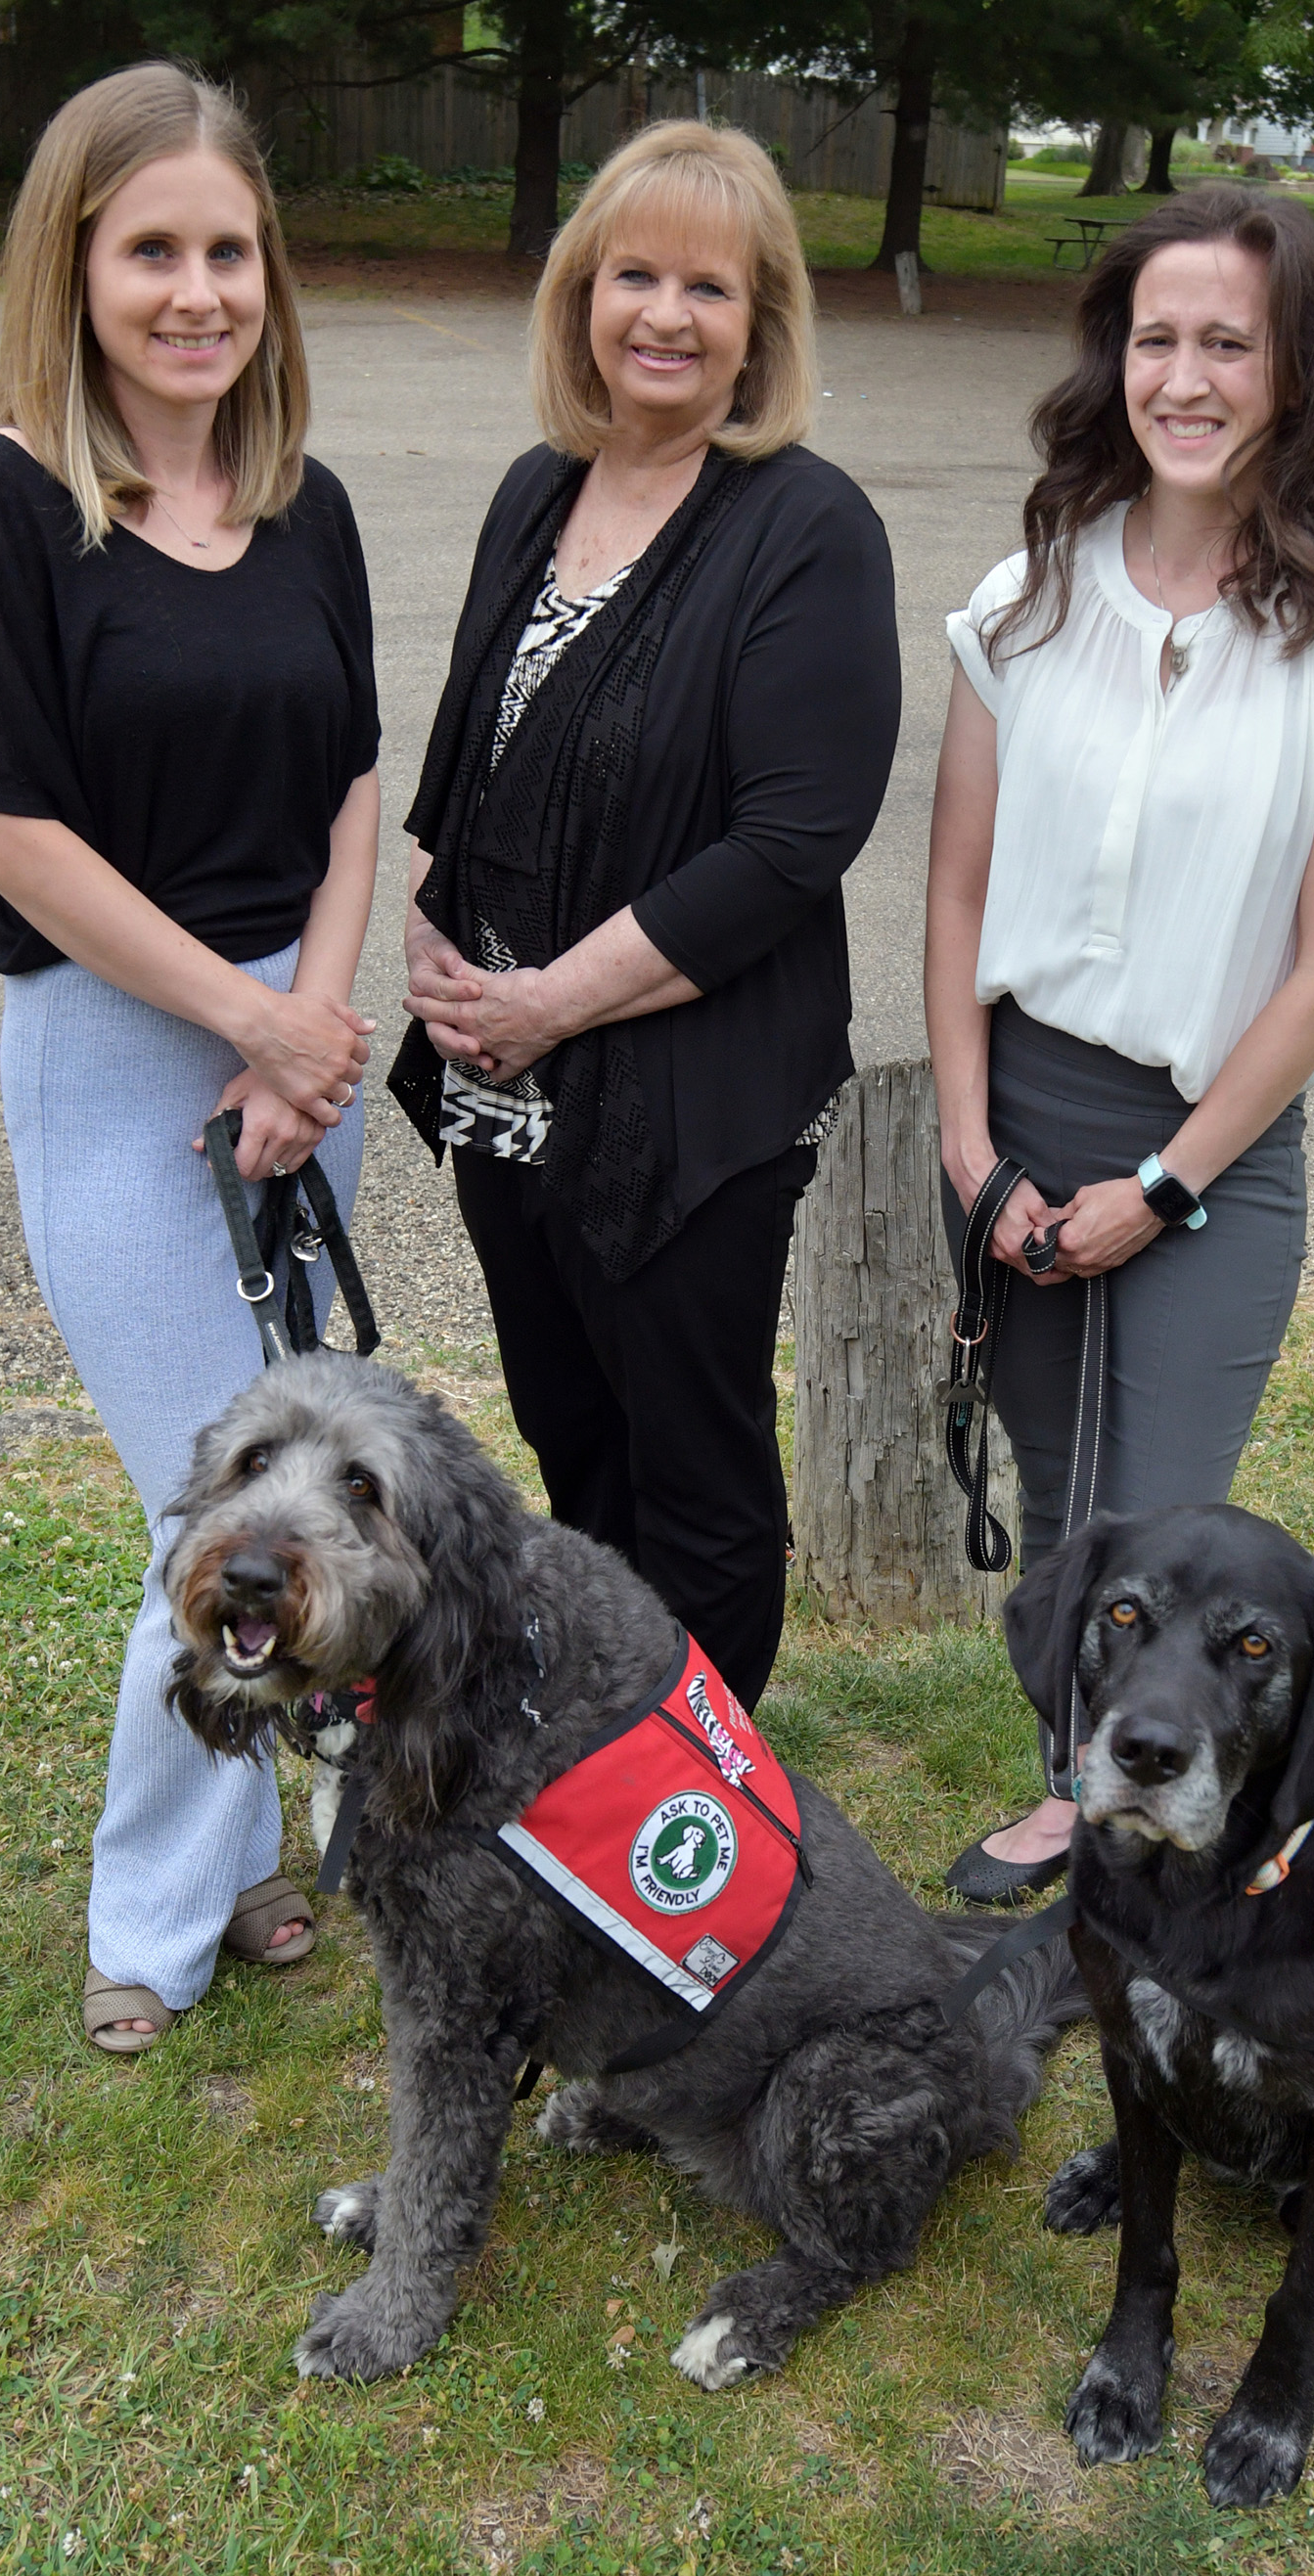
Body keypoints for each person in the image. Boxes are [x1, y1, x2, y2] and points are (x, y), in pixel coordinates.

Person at [0, 65, 381, 2047]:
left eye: (229, 250)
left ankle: (250, 1856)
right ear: (76, 264)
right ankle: (150, 1921)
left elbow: (355, 781)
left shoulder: (305, 505)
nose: (198, 291)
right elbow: (3, 826)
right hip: (119, 1058)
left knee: (294, 1496)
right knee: (221, 1514)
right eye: (153, 250)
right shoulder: (3, 497)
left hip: (303, 1062)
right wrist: (247, 1016)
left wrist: (315, 1029)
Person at [927, 188, 1314, 1904]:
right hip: (1014, 1117)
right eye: (1158, 337)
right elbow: (952, 887)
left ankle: (1135, 1832)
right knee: (1057, 1490)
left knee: (1157, 1518)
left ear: (1296, 369)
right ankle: (1084, 1789)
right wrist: (965, 1142)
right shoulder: (1028, 596)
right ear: (1115, 358)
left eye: (1229, 341)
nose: (1187, 375)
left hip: (1211, 1144)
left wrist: (1165, 1178)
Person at [390, 121, 900, 1711]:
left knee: (696, 1474)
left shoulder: (802, 528)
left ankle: (700, 1795)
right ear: (580, 296)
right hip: (504, 1087)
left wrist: (556, 1000)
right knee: (571, 1431)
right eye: (634, 276)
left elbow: (790, 839)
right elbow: (469, 757)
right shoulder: (537, 493)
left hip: (681, 1104)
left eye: (709, 287)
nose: (665, 316)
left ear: (763, 325)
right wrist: (429, 930)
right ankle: (594, 1746)